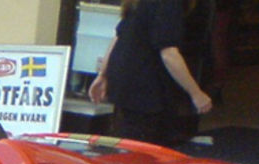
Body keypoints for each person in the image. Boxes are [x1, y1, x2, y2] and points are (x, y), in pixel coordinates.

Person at [89, 0, 213, 145]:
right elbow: (169, 54)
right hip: (146, 87)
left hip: (125, 80)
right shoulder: (168, 5)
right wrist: (196, 93)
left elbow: (118, 36)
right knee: (146, 145)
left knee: (127, 139)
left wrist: (103, 74)